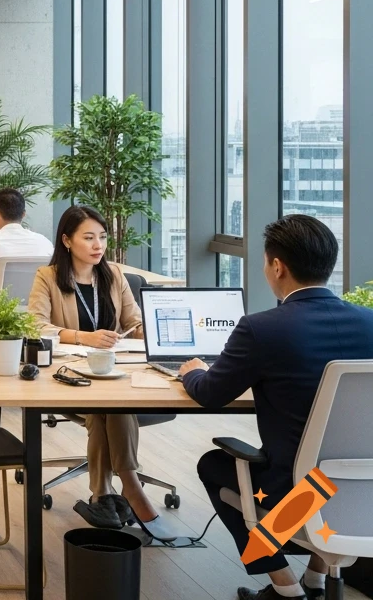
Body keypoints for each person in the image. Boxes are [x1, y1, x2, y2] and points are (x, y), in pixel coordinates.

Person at [179, 215, 373, 600]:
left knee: (213, 466)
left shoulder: (262, 328)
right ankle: (315, 580)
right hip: (364, 493)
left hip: (298, 498)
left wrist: (193, 372)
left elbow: (211, 394)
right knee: (329, 469)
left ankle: (286, 589)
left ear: (277, 266)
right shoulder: (369, 322)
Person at [27, 205, 181, 539]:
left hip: (114, 374)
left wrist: (144, 330)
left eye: (102, 237)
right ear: (67, 240)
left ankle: (101, 496)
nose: (98, 245)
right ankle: (131, 483)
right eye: (89, 237)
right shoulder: (48, 277)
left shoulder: (113, 275)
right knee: (109, 406)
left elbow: (134, 322)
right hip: (69, 378)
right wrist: (84, 337)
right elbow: (35, 325)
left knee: (107, 406)